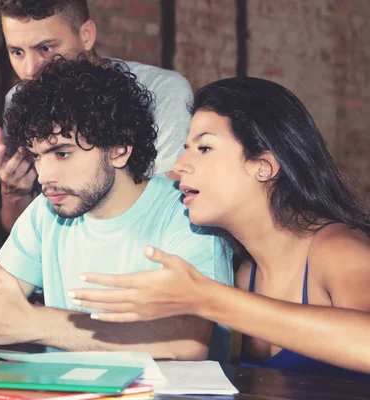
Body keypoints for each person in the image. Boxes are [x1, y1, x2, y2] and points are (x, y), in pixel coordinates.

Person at [0, 56, 232, 360]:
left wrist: (38, 323)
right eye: (37, 156)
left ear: (119, 148)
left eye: (62, 153)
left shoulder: (185, 214)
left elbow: (187, 343)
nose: (45, 177)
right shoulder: (46, 212)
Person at [68, 77, 370, 378]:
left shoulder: (339, 250)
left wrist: (209, 299)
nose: (180, 165)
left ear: (263, 165)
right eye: (187, 148)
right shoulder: (246, 272)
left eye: (204, 148)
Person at [0, 0, 193, 233]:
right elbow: (20, 236)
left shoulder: (162, 91)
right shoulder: (18, 99)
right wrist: (14, 192)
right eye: (17, 52)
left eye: (45, 48)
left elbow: (171, 210)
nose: (30, 70)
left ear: (86, 35)